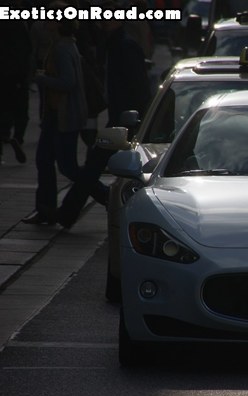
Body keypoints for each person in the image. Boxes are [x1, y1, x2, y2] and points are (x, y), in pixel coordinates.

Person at [55, 0, 151, 229]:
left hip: (124, 120)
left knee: (96, 166)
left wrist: (134, 119)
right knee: (94, 166)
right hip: (118, 117)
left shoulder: (124, 46)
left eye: (108, 16)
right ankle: (72, 213)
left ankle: (69, 213)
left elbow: (138, 87)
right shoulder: (110, 43)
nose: (103, 20)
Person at [23, 7, 87, 225]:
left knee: (67, 166)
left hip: (63, 115)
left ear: (59, 23)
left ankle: (103, 193)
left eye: (49, 19)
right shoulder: (64, 44)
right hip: (54, 114)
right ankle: (45, 209)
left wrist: (42, 80)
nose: (44, 22)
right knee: (44, 160)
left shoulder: (62, 48)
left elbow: (69, 83)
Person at [0, 2, 32, 165]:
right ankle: (17, 137)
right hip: (16, 74)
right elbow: (24, 49)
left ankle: (5, 135)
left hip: (6, 73)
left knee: (4, 110)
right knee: (20, 110)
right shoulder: (17, 23)